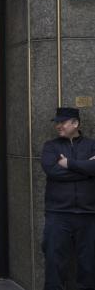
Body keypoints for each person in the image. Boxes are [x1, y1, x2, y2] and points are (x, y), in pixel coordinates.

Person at [41, 107, 95, 290]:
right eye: (57, 122)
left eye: (62, 122)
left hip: (89, 214)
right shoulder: (51, 147)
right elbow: (52, 171)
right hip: (58, 214)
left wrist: (69, 164)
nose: (58, 126)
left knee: (89, 265)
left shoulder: (92, 145)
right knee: (54, 263)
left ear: (75, 123)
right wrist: (86, 170)